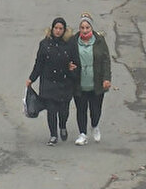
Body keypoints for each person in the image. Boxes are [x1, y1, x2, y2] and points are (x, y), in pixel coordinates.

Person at [27, 18, 78, 145]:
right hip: (49, 82)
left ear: (64, 30)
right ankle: (53, 135)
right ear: (52, 29)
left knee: (64, 111)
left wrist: (73, 69)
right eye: (56, 28)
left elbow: (76, 61)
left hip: (65, 83)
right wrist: (31, 78)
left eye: (61, 29)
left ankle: (62, 126)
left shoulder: (70, 44)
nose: (58, 31)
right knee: (51, 110)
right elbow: (39, 63)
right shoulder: (44, 44)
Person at [69, 13, 111, 146]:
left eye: (87, 27)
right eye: (82, 27)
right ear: (79, 28)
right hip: (79, 82)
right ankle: (82, 134)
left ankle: (95, 125)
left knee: (95, 109)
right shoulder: (73, 41)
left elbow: (105, 60)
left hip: (96, 82)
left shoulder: (99, 41)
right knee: (81, 109)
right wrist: (69, 65)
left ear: (91, 28)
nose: (85, 30)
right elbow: (67, 57)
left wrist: (106, 78)